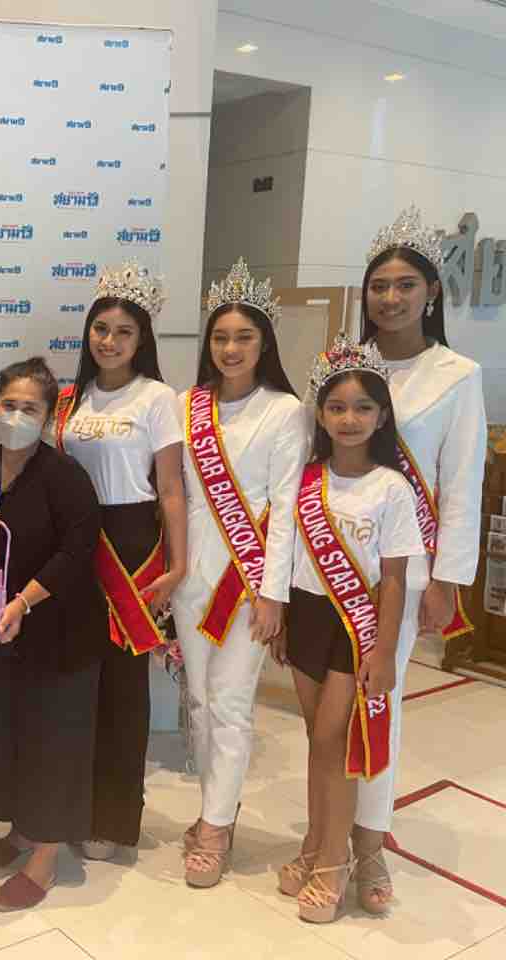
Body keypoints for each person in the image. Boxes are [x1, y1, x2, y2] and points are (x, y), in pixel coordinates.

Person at [351, 207, 487, 912]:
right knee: (330, 704)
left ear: (431, 292)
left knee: (381, 699)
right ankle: (327, 826)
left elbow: (461, 483)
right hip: (330, 560)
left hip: (403, 574)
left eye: (406, 285)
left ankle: (370, 841)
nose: (391, 298)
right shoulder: (343, 366)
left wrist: (449, 582)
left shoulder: (457, 374)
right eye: (379, 286)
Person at [0, 357, 103, 912]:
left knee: (50, 741)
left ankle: (45, 858)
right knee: (2, 734)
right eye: (8, 405)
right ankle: (20, 829)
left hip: (57, 632)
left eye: (30, 408)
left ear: (49, 416)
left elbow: (78, 550)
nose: (16, 416)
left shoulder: (65, 476)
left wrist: (23, 601)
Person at [273, 335, 424, 923]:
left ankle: (335, 863)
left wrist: (383, 652)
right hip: (308, 615)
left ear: (382, 416)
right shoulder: (306, 479)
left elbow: (395, 580)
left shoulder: (393, 488)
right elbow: (288, 556)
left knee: (334, 742)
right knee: (318, 740)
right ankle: (315, 844)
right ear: (320, 414)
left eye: (363, 407)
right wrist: (283, 618)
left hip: (355, 626)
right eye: (337, 407)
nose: (349, 418)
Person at [172, 260, 306, 887]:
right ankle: (213, 808)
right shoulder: (187, 406)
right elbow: (174, 495)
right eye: (221, 337)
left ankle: (216, 826)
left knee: (230, 702)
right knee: (199, 701)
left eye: (244, 337)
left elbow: (287, 508)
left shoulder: (286, 411)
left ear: (264, 343)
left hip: (247, 582)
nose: (230, 349)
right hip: (190, 577)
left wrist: (274, 594)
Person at [54, 260, 187, 860]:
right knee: (78, 684)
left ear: (142, 340)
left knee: (124, 690)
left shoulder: (158, 398)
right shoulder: (69, 399)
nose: (109, 341)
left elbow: (171, 490)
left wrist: (177, 566)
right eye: (101, 328)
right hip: (76, 541)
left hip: (130, 546)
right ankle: (71, 807)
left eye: (124, 332)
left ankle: (113, 818)